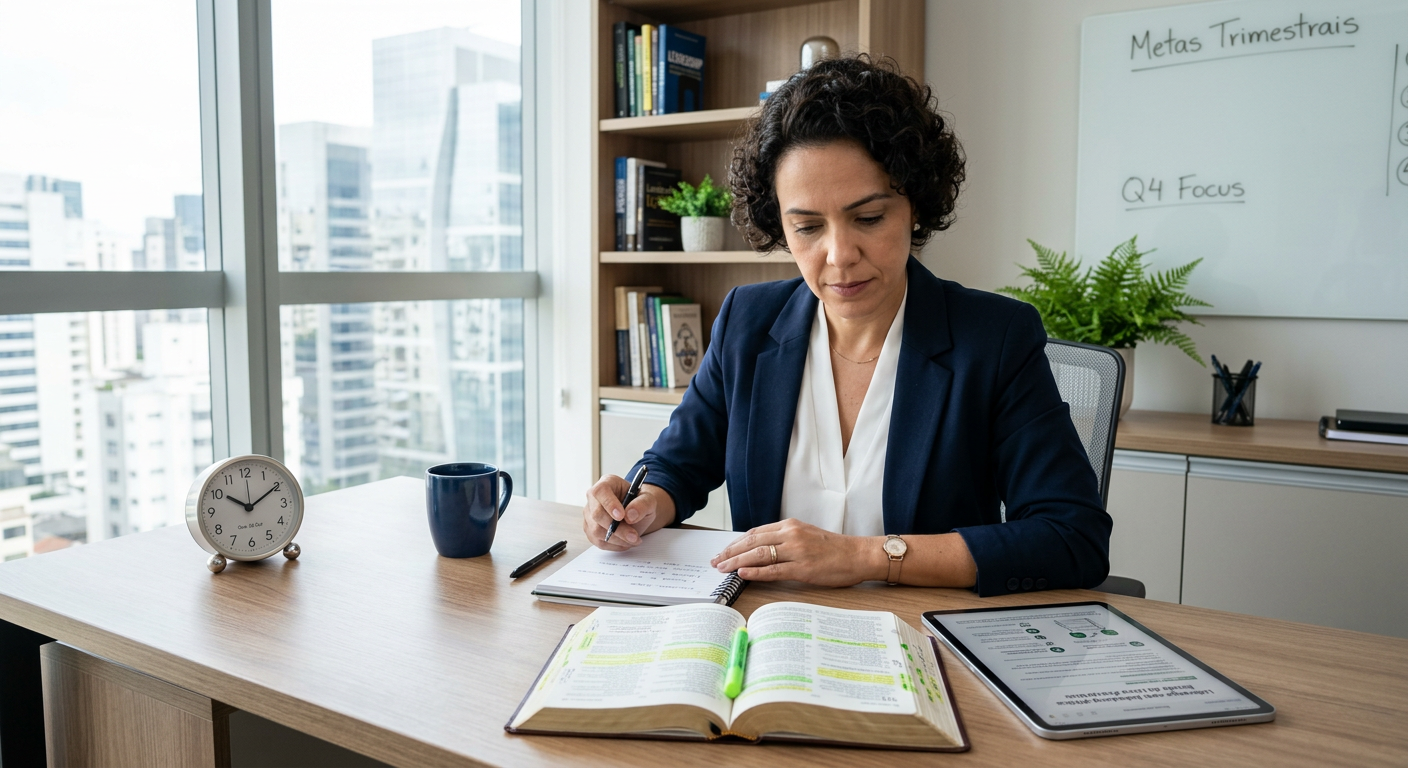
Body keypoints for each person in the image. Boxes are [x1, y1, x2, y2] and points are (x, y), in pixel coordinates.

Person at [581, 56, 1111, 596]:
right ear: (779, 227)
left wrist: (866, 557)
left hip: (918, 643)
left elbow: (1071, 537)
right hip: (766, 636)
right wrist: (645, 503)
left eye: (869, 218)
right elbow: (678, 465)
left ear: (915, 207)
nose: (838, 255)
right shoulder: (746, 320)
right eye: (807, 227)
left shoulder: (994, 338)